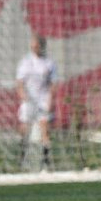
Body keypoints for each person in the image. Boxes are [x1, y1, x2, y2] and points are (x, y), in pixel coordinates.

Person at [16, 33, 57, 170]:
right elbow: (20, 82)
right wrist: (23, 96)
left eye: (36, 45)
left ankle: (46, 162)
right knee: (24, 129)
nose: (34, 48)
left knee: (44, 130)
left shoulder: (49, 63)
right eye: (32, 45)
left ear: (41, 46)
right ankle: (21, 157)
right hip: (29, 99)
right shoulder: (26, 62)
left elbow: (52, 83)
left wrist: (50, 100)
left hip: (43, 99)